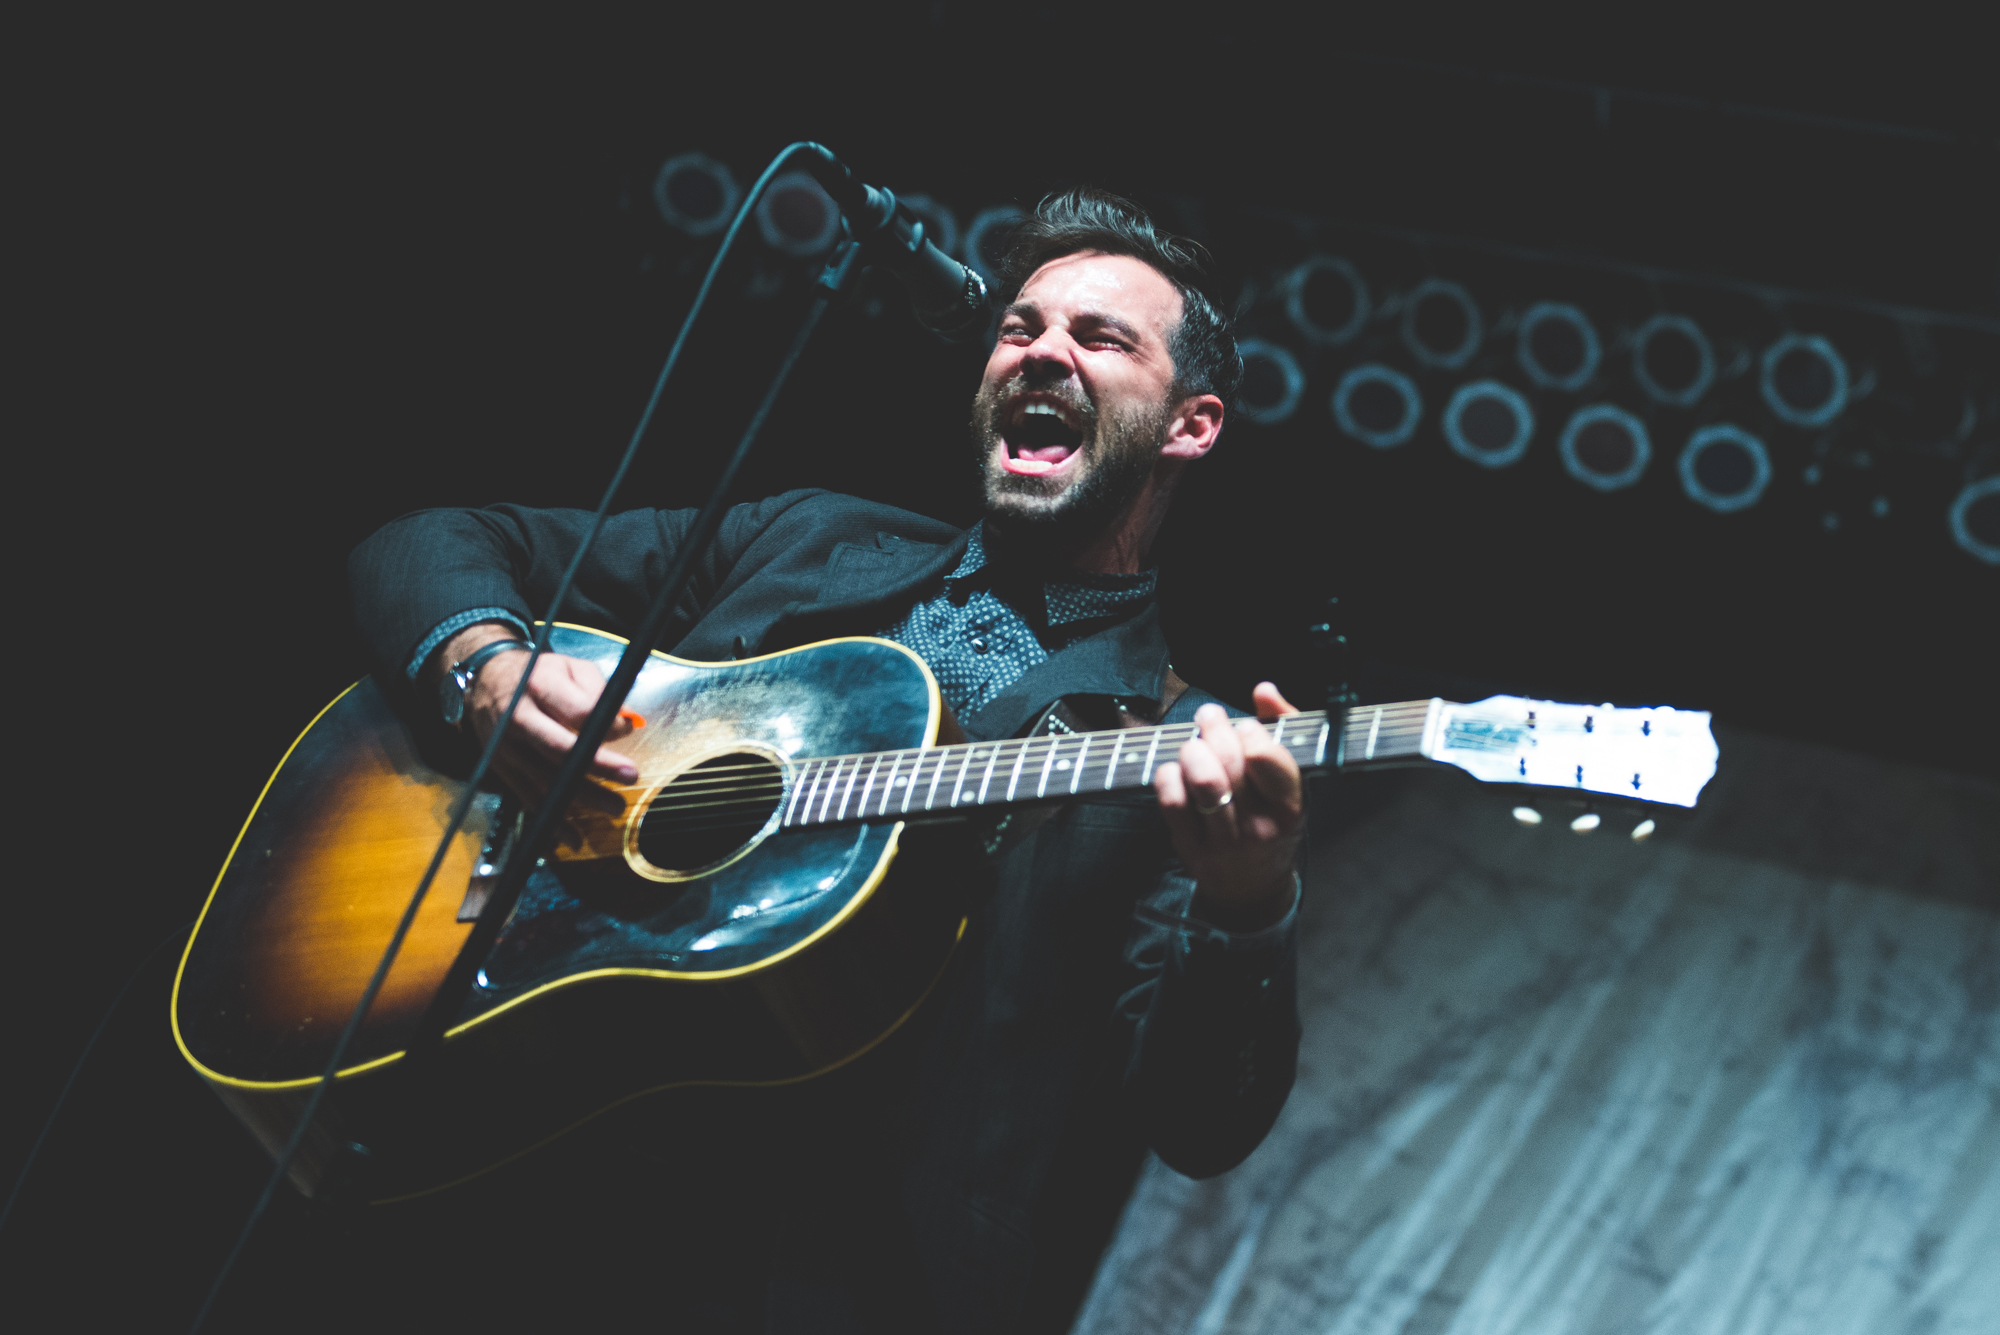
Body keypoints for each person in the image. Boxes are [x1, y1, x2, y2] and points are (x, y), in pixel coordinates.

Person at [348, 188, 1305, 1333]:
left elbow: (1199, 1124)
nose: (1041, 351)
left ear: (1189, 425)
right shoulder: (807, 537)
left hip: (838, 1282)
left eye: (1099, 340)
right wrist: (484, 672)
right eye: (1019, 327)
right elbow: (430, 543)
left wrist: (1246, 905)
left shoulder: (1162, 751)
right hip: (538, 1199)